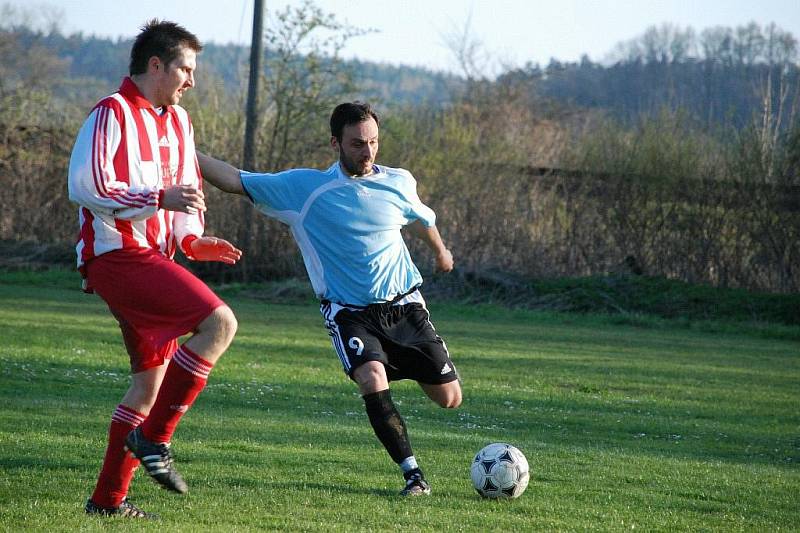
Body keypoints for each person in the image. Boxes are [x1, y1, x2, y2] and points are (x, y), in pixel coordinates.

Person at [197, 102, 462, 496]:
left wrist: (440, 252)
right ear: (335, 142)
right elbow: (234, 179)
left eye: (373, 142)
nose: (368, 152)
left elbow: (424, 218)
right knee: (372, 378)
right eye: (357, 144)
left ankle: (389, 365)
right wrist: (182, 144)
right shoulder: (305, 190)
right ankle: (413, 476)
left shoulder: (399, 181)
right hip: (349, 313)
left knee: (449, 399)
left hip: (406, 307)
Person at [68, 20, 242, 519]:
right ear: (156, 65)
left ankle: (107, 502)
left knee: (148, 385)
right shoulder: (112, 112)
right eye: (186, 69)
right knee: (221, 323)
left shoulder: (180, 122)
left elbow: (187, 191)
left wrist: (192, 239)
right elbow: (87, 185)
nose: (191, 80)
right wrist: (155, 198)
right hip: (116, 255)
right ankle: (154, 441)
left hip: (152, 257)